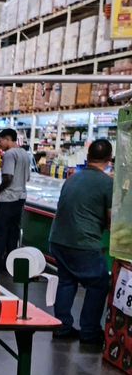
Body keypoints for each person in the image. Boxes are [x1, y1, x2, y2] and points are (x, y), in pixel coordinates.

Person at [48, 139, 114, 346]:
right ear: (109, 159)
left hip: (58, 239)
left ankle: (62, 327)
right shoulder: (107, 183)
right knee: (98, 284)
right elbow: (112, 219)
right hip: (83, 243)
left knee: (67, 281)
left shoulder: (72, 178)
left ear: (88, 157)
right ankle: (90, 332)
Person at [0, 128, 31, 275]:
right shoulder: (25, 154)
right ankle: (9, 263)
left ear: (8, 139)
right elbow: (27, 177)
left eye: (0, 140)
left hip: (8, 198)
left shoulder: (9, 154)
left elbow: (8, 177)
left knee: (0, 231)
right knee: (13, 232)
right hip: (21, 198)